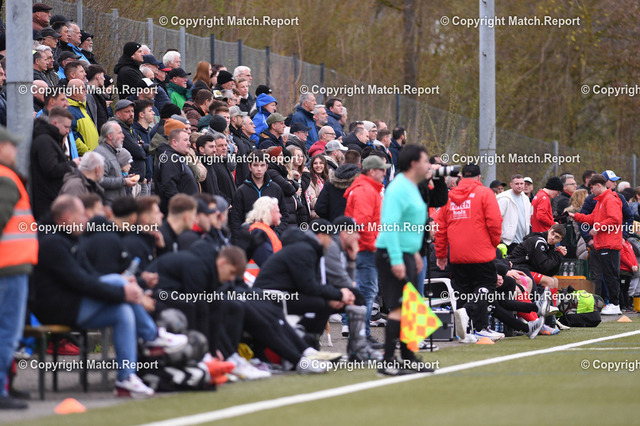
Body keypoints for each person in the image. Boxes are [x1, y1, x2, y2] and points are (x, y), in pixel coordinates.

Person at [31, 195, 188, 399]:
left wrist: (128, 286)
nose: (86, 220)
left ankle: (125, 379)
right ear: (67, 218)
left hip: (73, 303)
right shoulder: (52, 243)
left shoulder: (70, 239)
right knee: (116, 282)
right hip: (55, 310)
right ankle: (152, 336)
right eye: (82, 216)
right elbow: (80, 282)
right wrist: (123, 291)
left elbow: (90, 276)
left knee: (122, 311)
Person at [376, 145, 434, 375]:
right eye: (425, 161)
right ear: (413, 164)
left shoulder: (412, 186)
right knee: (399, 307)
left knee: (411, 307)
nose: (428, 165)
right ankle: (388, 361)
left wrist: (416, 253)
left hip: (408, 253)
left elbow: (411, 224)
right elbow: (389, 225)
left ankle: (408, 357)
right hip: (392, 253)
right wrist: (397, 259)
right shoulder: (398, 188)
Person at [436, 164, 504, 343]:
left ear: (461, 178)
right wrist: (494, 243)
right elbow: (495, 221)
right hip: (480, 252)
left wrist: (441, 254)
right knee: (487, 284)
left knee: (463, 290)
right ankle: (469, 314)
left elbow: (440, 228)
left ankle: (468, 332)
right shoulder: (485, 193)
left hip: (457, 254)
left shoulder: (449, 197)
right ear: (479, 177)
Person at [0, 128, 38, 410]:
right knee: (7, 332)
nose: (15, 151)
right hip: (9, 267)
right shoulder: (6, 178)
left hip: (11, 265)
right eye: (11, 146)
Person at [344, 156, 388, 343]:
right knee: (367, 293)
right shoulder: (365, 190)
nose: (384, 173)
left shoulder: (365, 188)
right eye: (381, 169)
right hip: (366, 249)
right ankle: (363, 334)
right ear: (371, 171)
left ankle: (361, 333)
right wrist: (373, 246)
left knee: (365, 291)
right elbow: (362, 225)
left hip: (364, 248)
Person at [569, 173, 624, 315]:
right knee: (604, 275)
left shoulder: (609, 199)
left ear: (598, 185)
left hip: (609, 244)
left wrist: (597, 228)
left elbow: (615, 219)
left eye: (592, 187)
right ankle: (609, 303)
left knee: (611, 275)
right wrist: (576, 216)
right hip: (602, 244)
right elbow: (592, 218)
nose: (591, 191)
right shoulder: (601, 200)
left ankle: (615, 304)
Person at [30, 107, 78, 219]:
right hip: (47, 202)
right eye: (66, 127)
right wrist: (73, 164)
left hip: (51, 198)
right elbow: (51, 169)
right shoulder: (45, 141)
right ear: (55, 123)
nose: (68, 131)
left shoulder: (52, 139)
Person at [229, 151, 288, 238]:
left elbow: (284, 214)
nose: (259, 169)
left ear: (266, 167)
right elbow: (236, 219)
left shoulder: (276, 189)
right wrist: (242, 238)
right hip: (249, 238)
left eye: (262, 165)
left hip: (272, 236)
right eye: (255, 165)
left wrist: (277, 233)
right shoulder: (241, 191)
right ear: (250, 167)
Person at [508, 224, 567, 291]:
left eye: (557, 237)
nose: (553, 237)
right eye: (552, 233)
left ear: (560, 240)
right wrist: (558, 255)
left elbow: (550, 272)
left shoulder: (549, 245)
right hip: (516, 267)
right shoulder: (539, 241)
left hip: (527, 268)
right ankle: (542, 298)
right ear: (549, 230)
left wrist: (557, 254)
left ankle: (551, 298)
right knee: (549, 281)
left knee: (555, 280)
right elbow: (543, 267)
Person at [154, 129, 199, 214]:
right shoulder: (170, 159)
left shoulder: (175, 157)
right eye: (185, 140)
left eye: (189, 140)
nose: (189, 143)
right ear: (174, 142)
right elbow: (169, 187)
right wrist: (181, 209)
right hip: (179, 213)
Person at [93, 121, 137, 204]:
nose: (123, 136)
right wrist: (124, 181)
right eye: (120, 133)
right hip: (107, 206)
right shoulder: (101, 154)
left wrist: (125, 178)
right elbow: (99, 180)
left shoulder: (111, 152)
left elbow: (111, 176)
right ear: (110, 136)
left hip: (115, 204)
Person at [496, 174, 531, 254]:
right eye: (517, 184)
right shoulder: (504, 198)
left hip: (522, 241)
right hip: (508, 241)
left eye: (521, 183)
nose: (519, 186)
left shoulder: (525, 198)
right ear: (511, 184)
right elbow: (497, 218)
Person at [307, 154, 328, 219]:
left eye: (321, 163)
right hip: (316, 217)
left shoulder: (328, 179)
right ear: (312, 165)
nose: (318, 165)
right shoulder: (309, 180)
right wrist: (328, 201)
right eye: (315, 163)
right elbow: (312, 202)